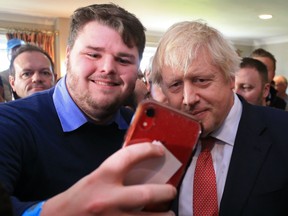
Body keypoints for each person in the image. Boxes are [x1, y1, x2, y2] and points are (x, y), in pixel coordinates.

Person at [0, 4, 176, 216]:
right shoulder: (11, 122)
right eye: (93, 54)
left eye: (123, 60)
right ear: (68, 56)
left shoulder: (141, 128)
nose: (108, 68)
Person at [150, 20, 288, 215]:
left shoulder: (283, 132)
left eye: (201, 80)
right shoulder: (159, 145)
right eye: (175, 85)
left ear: (231, 78)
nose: (188, 99)